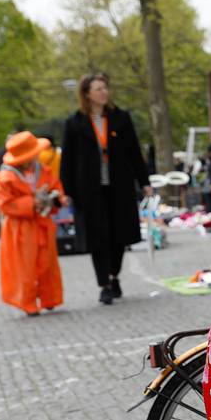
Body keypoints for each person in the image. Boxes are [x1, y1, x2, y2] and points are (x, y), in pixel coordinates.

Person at [60, 73, 153, 306]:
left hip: (118, 186)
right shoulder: (74, 123)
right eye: (98, 89)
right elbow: (68, 160)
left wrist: (144, 181)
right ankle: (104, 284)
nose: (104, 92)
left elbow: (134, 152)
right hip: (89, 189)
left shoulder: (121, 118)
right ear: (87, 94)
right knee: (97, 238)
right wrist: (67, 190)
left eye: (105, 88)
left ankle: (114, 275)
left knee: (119, 235)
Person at [0, 132, 64, 316]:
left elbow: (56, 187)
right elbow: (5, 203)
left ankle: (50, 298)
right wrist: (33, 203)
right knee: (24, 267)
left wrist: (57, 200)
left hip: (43, 223)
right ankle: (28, 302)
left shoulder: (43, 170)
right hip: (20, 228)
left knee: (47, 263)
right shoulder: (5, 177)